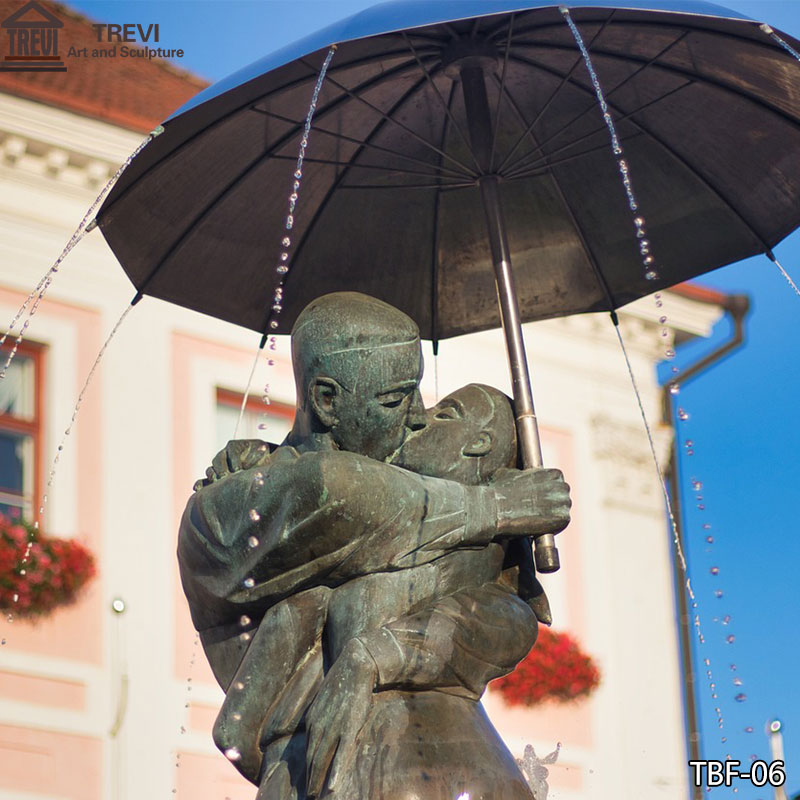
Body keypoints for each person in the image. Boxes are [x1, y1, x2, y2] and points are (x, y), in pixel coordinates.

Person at [178, 293, 571, 799]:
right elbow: (337, 493)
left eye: (420, 395)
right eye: (394, 400)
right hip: (318, 776)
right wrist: (494, 506)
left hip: (462, 764)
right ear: (326, 401)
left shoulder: (437, 505)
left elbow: (508, 618)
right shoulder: (228, 509)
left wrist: (377, 654)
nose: (418, 417)